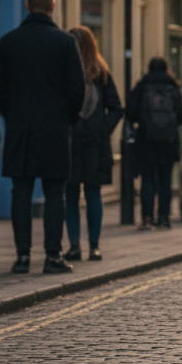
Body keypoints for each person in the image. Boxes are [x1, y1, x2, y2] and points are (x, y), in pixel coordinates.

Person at [0, 0, 85, 274]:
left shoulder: (8, 42)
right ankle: (53, 256)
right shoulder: (65, 43)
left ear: (27, 5)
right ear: (53, 7)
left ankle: (21, 258)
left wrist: (13, 116)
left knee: (20, 191)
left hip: (21, 127)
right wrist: (67, 118)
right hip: (55, 129)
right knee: (55, 192)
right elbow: (77, 89)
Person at [64, 26, 124, 261]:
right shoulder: (98, 73)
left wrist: (101, 128)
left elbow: (116, 108)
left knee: (81, 193)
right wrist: (102, 128)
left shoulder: (100, 74)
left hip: (86, 142)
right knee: (87, 193)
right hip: (82, 142)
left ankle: (81, 245)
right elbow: (117, 108)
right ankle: (88, 246)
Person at [126, 57, 182, 230]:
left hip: (146, 140)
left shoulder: (142, 86)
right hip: (168, 141)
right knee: (165, 180)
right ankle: (164, 217)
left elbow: (130, 112)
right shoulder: (173, 87)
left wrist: (142, 123)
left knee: (148, 180)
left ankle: (147, 217)